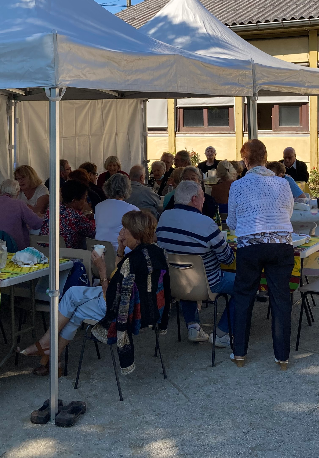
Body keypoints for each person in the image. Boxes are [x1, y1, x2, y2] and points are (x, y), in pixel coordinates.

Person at [20, 210, 169, 376]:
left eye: (125, 229)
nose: (121, 232)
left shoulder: (132, 262)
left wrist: (101, 269)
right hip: (147, 306)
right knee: (72, 294)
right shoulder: (156, 252)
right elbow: (119, 279)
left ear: (137, 234)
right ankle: (50, 352)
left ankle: (49, 351)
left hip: (126, 311)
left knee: (73, 309)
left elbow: (111, 296)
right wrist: (120, 248)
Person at [228, 139, 294, 369]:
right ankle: (282, 356)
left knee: (244, 296)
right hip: (280, 244)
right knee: (281, 298)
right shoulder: (282, 184)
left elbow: (232, 222)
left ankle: (239, 353)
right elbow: (288, 212)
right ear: (265, 159)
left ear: (245, 161)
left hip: (250, 245)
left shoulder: (237, 186)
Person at [157, 181, 235, 346]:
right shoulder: (205, 223)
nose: (204, 200)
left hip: (175, 284)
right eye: (202, 196)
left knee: (184, 268)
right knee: (247, 284)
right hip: (207, 285)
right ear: (194, 199)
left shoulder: (163, 217)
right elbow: (228, 259)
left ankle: (193, 326)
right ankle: (221, 333)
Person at [0, 179, 45, 251]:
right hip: (13, 247)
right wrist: (41, 216)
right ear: (18, 193)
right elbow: (36, 224)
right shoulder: (19, 204)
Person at [40, 180, 96, 249]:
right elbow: (94, 232)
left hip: (45, 252)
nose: (85, 202)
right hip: (66, 256)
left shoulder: (52, 209)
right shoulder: (76, 216)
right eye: (84, 198)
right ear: (74, 201)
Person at [94, 173, 138, 244]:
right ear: (127, 188)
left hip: (99, 249)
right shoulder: (132, 209)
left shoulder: (98, 206)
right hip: (120, 250)